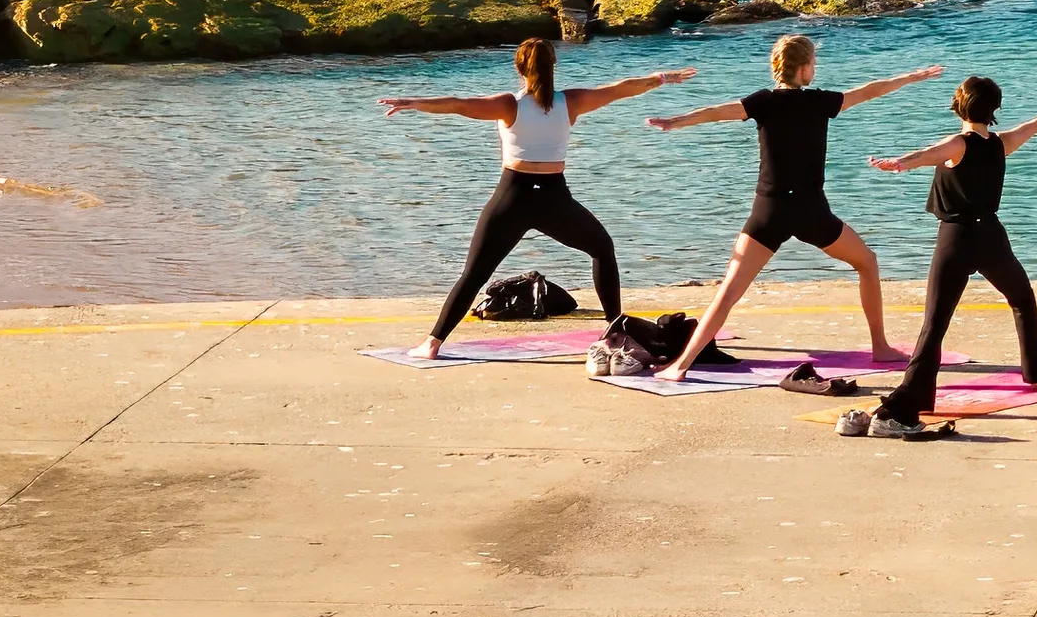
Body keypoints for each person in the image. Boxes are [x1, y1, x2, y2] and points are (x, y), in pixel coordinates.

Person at [642, 35, 943, 382]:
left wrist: (676, 121)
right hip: (810, 211)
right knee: (867, 262)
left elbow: (718, 112)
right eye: (813, 63)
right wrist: (909, 78)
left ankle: (680, 365)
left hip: (768, 210)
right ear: (802, 68)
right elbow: (868, 91)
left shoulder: (763, 102)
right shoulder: (819, 102)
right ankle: (880, 346)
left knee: (727, 292)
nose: (815, 68)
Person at [382, 38, 692, 358]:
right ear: (554, 66)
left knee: (474, 274)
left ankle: (432, 343)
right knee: (602, 249)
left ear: (519, 68)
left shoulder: (508, 105)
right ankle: (615, 331)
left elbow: (459, 103)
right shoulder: (570, 102)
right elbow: (620, 88)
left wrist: (414, 102)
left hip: (511, 199)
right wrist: (663, 79)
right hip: (554, 200)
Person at [861, 75, 1037, 438]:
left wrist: (898, 163)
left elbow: (926, 156)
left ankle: (903, 405)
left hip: (956, 239)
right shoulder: (1000, 142)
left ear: (958, 106)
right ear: (993, 109)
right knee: (1022, 301)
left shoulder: (958, 143)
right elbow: (1036, 125)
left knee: (935, 324)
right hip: (991, 236)